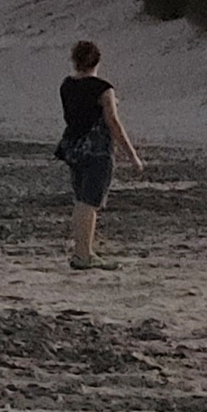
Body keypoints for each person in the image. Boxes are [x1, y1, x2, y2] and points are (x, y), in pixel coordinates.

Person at [57, 40, 144, 269]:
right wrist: (132, 155)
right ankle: (83, 254)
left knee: (81, 201)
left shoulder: (67, 85)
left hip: (73, 147)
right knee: (89, 203)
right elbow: (113, 122)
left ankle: (82, 251)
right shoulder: (103, 88)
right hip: (96, 150)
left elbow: (81, 108)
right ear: (97, 61)